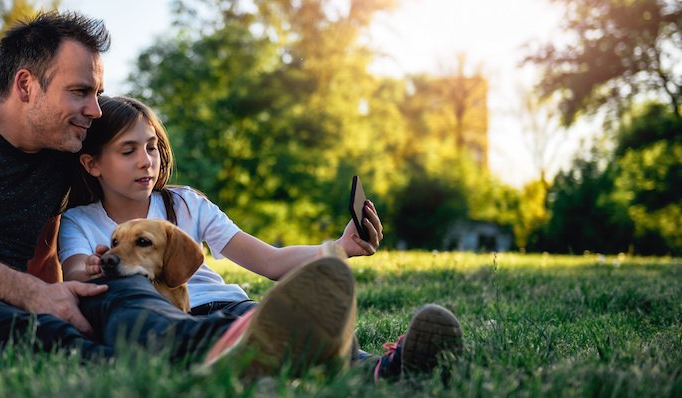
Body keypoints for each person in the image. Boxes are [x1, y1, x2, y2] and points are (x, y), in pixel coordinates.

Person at [0, 11, 361, 376]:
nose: (95, 110)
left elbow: (60, 251)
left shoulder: (62, 161)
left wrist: (69, 288)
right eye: (80, 91)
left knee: (113, 283)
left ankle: (248, 345)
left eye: (97, 93)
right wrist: (39, 296)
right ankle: (207, 354)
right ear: (26, 85)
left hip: (3, 297)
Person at [56, 95, 464, 381]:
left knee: (295, 331)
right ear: (92, 164)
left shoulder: (186, 204)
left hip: (233, 309)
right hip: (175, 325)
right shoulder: (80, 221)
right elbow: (76, 270)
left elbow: (268, 261)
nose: (146, 161)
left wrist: (340, 248)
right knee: (282, 351)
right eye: (128, 151)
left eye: (151, 148)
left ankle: (388, 367)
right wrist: (93, 267)